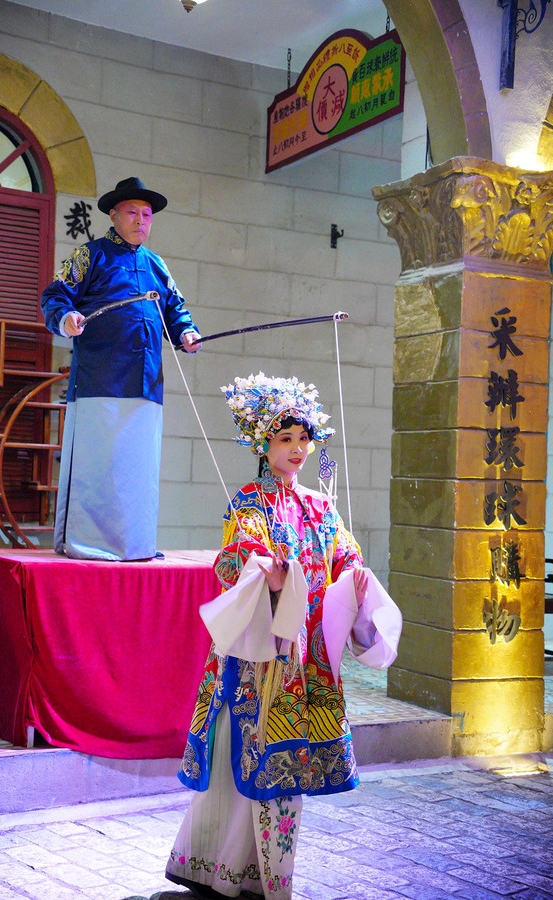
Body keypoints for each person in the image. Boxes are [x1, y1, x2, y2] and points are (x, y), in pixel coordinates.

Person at [164, 372, 402, 899]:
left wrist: (355, 575)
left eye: (303, 438)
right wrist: (265, 571)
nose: (297, 449)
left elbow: (345, 556)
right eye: (285, 439)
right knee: (244, 760)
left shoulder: (321, 505)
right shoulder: (250, 500)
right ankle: (224, 871)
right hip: (261, 657)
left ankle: (255, 878)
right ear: (263, 445)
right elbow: (233, 560)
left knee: (283, 772)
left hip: (307, 659)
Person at [41, 176, 201, 561]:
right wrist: (66, 319)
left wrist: (186, 332)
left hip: (146, 381)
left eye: (147, 215)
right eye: (132, 212)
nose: (141, 221)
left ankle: (135, 544)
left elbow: (175, 310)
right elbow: (55, 297)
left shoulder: (156, 264)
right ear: (113, 215)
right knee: (100, 467)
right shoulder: (90, 255)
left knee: (138, 469)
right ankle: (88, 543)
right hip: (100, 380)